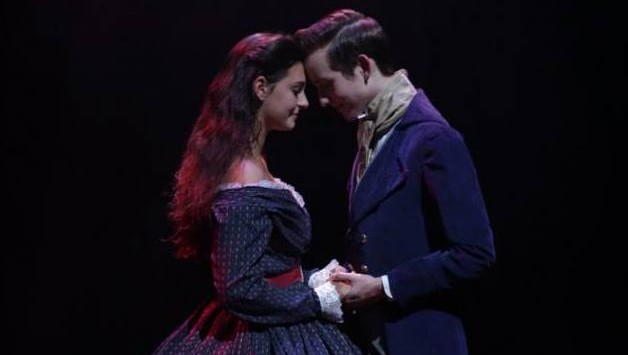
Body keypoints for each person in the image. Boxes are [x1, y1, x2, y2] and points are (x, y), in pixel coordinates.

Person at [295, 9, 496, 355]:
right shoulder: (372, 132)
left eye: (326, 85)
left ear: (363, 66)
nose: (322, 101)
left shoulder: (433, 139)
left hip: (422, 340)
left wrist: (383, 286)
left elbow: (475, 253)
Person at [153, 32, 361, 354]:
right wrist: (318, 300)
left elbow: (267, 267)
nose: (304, 103)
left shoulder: (250, 164)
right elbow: (240, 288)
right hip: (258, 336)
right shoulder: (244, 178)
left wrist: (312, 279)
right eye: (296, 90)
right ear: (261, 87)